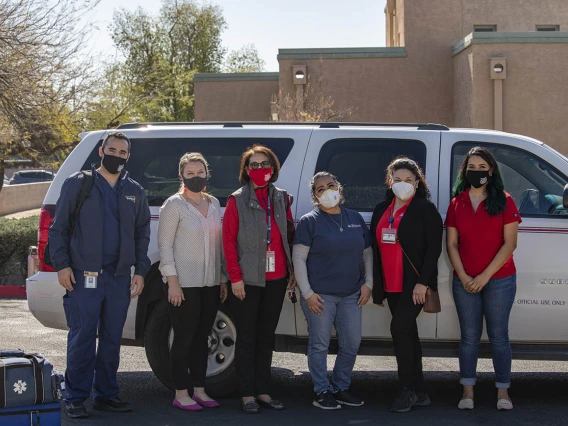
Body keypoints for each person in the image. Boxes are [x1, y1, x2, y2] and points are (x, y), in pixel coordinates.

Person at [49, 131, 151, 419]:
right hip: (84, 276)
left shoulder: (134, 190)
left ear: (128, 157)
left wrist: (141, 271)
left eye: (122, 152)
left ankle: (106, 394)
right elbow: (59, 229)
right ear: (101, 151)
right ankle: (76, 397)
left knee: (110, 338)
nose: (116, 155)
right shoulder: (80, 184)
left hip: (119, 278)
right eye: (112, 150)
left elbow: (143, 233)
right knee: (82, 337)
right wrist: (62, 265)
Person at [445, 147, 521, 411]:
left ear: (491, 171)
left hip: (499, 279)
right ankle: (468, 392)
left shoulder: (505, 201)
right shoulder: (457, 203)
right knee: (469, 338)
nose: (476, 172)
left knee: (499, 337)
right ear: (465, 171)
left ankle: (503, 393)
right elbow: (452, 245)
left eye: (482, 167)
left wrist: (484, 277)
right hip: (464, 281)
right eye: (472, 167)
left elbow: (509, 244)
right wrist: (466, 277)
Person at [222, 144, 296, 413]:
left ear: (273, 168)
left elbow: (288, 233)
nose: (261, 169)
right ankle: (247, 394)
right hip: (248, 281)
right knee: (247, 338)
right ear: (246, 170)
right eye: (255, 165)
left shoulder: (282, 198)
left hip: (276, 279)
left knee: (266, 338)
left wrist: (292, 271)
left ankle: (263, 391)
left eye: (265, 164)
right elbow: (228, 242)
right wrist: (235, 278)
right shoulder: (236, 199)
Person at [292, 172, 372, 410]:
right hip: (319, 296)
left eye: (331, 185)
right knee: (319, 345)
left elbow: (367, 253)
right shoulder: (309, 221)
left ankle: (340, 387)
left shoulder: (355, 218)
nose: (327, 191)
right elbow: (298, 258)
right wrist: (307, 293)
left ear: (339, 187)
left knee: (352, 343)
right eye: (320, 189)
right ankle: (321, 390)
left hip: (351, 294)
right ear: (315, 197)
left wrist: (369, 283)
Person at [370, 157, 443, 413]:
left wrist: (423, 283)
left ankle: (406, 388)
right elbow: (376, 252)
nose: (403, 184)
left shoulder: (425, 209)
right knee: (409, 334)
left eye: (409, 180)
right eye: (397, 180)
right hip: (391, 285)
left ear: (417, 182)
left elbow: (433, 250)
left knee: (399, 329)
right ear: (390, 182)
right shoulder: (381, 209)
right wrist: (377, 288)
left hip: (414, 285)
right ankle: (420, 391)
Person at [158, 153, 228, 412]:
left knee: (202, 338)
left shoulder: (214, 204)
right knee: (184, 338)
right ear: (182, 176)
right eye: (190, 173)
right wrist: (172, 282)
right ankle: (181, 392)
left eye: (200, 172)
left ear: (206, 174)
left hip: (209, 283)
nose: (196, 177)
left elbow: (217, 245)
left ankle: (199, 389)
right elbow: (164, 246)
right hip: (183, 285)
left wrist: (221, 278)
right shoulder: (173, 205)